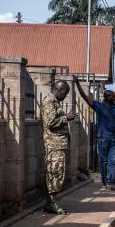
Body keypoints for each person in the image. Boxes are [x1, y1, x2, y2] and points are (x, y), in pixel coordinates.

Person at [74, 79, 115, 190]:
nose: (114, 98)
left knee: (113, 161)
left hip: (114, 139)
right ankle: (105, 182)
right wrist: (77, 84)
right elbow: (84, 97)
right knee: (104, 161)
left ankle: (112, 182)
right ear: (106, 98)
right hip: (103, 138)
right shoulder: (98, 106)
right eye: (112, 96)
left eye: (114, 96)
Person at [41, 80, 75, 214]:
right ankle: (51, 203)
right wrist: (67, 117)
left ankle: (52, 202)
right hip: (53, 144)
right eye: (65, 93)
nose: (65, 96)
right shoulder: (49, 101)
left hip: (59, 144)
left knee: (58, 173)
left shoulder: (55, 102)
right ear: (59, 90)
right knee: (54, 172)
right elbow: (51, 122)